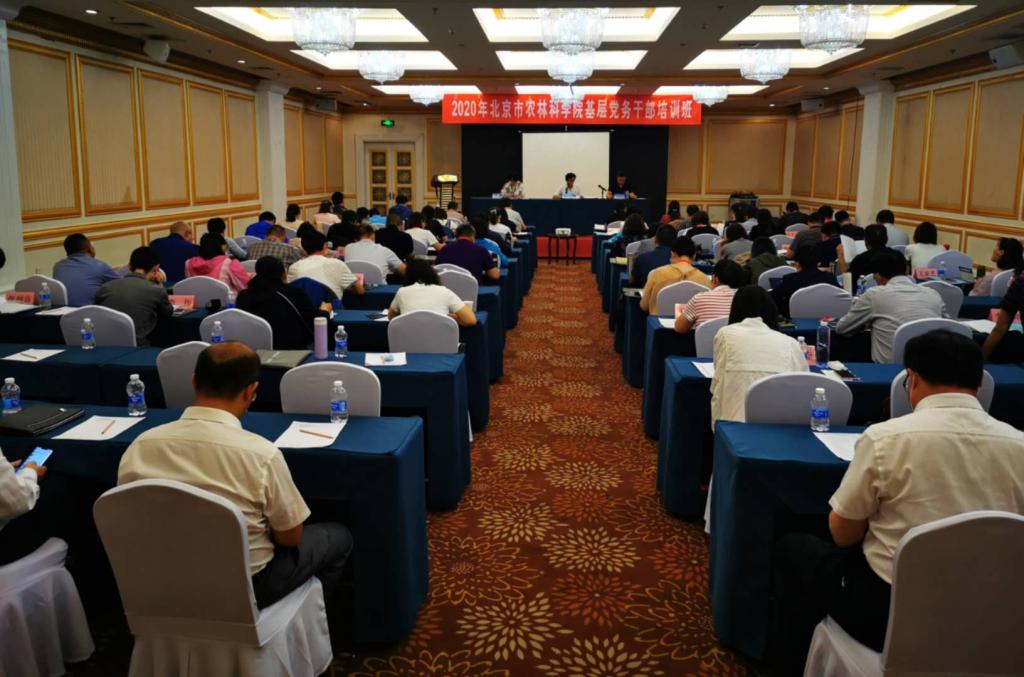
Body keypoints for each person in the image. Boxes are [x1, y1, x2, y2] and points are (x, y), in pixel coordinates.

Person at [771, 330, 1024, 675]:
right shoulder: (1019, 444)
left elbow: (843, 535)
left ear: (912, 380)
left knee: (793, 548)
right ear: (979, 385)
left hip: (889, 614)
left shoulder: (885, 438)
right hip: (994, 616)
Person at [118, 342, 353, 643]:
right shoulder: (261, 454)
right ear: (250, 391)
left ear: (194, 382)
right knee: (339, 537)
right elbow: (290, 538)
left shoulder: (140, 446)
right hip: (246, 588)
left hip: (159, 583)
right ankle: (309, 634)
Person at [711, 287, 807, 425]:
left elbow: (717, 383)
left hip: (733, 425)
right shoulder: (791, 343)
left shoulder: (725, 334)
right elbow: (802, 389)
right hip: (780, 427)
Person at [836, 249, 946, 363]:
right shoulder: (933, 294)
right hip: (931, 367)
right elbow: (948, 327)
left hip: (889, 369)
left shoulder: (874, 295)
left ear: (877, 275)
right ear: (907, 270)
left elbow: (843, 328)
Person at [237, 257, 330, 349]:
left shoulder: (242, 296)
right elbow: (315, 321)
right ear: (283, 274)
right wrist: (325, 311)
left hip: (253, 350)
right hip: (292, 351)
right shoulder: (293, 293)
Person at [95, 246, 173, 345]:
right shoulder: (156, 290)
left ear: (130, 267)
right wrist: (160, 285)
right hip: (137, 345)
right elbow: (168, 312)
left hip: (104, 342)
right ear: (155, 269)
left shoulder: (106, 287)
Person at [388, 259, 476, 327]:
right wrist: (448, 317)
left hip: (408, 341)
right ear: (432, 273)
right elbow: (470, 320)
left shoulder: (402, 292)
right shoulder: (444, 291)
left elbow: (391, 317)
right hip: (441, 342)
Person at [639, 236, 710, 316]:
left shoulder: (657, 274)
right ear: (694, 256)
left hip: (659, 321)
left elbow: (644, 306)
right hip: (691, 323)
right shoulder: (705, 279)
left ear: (672, 254)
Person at [675, 259, 745, 333]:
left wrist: (680, 311)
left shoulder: (699, 299)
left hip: (705, 341)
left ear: (715, 279)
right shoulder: (746, 301)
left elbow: (680, 328)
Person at [288, 231, 364, 298]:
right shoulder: (337, 264)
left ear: (303, 247)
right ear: (325, 245)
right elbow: (360, 290)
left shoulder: (294, 267)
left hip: (305, 308)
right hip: (332, 308)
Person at [52, 233, 121, 306]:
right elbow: (123, 283)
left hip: (65, 312)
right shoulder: (99, 265)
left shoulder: (58, 267)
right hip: (90, 311)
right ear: (89, 248)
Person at [772, 246, 841, 319]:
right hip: (826, 320)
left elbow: (774, 298)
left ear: (797, 263)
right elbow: (840, 296)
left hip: (796, 321)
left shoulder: (790, 279)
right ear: (818, 263)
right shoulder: (828, 277)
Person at [185, 233, 252, 295]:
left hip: (197, 301)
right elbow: (245, 287)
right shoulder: (228, 263)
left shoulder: (189, 264)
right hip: (226, 302)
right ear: (223, 247)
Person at [435, 224, 500, 284]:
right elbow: (495, 275)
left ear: (456, 236)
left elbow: (437, 271)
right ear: (473, 236)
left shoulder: (444, 249)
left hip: (448, 289)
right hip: (473, 290)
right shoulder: (481, 250)